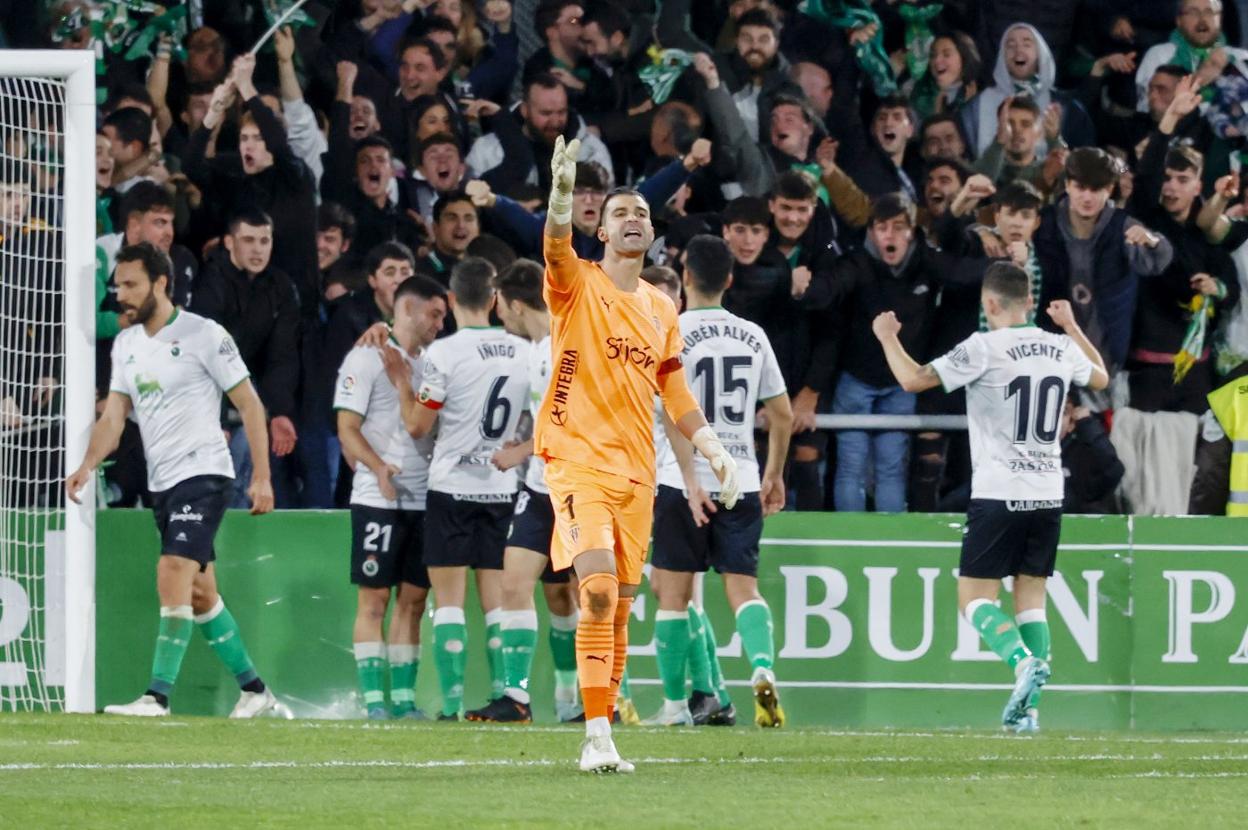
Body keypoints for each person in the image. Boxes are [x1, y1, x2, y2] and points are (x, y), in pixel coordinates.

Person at [536, 136, 739, 772]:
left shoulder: (660, 307)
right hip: (576, 464)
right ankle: (596, 734)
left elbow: (674, 391)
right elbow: (553, 245)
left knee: (620, 608)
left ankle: (604, 728)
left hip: (639, 476)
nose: (633, 220)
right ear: (601, 229)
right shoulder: (575, 284)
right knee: (594, 591)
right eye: (621, 213)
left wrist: (711, 446)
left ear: (653, 234)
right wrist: (562, 196)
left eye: (642, 215)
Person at [872, 263, 1109, 733]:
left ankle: (1022, 662)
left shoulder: (983, 346)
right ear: (1029, 301)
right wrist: (1072, 326)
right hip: (1047, 491)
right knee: (1032, 598)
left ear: (990, 304)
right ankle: (1029, 713)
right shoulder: (1059, 346)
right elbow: (1100, 378)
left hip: (1000, 491)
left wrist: (886, 337)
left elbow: (913, 379)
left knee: (974, 598)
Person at [66, 242, 281, 718]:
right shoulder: (126, 345)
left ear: (161, 283)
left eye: (130, 284)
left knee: (172, 570)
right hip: (163, 480)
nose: (121, 294)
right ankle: (256, 691)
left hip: (203, 470)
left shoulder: (205, 334)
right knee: (201, 591)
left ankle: (157, 696)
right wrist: (86, 463)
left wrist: (262, 477)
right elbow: (115, 415)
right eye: (117, 285)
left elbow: (249, 404)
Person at [649, 234, 793, 728]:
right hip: (742, 478)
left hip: (680, 481)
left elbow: (672, 410)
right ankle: (762, 669)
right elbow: (783, 413)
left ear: (684, 278)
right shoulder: (753, 335)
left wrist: (689, 477)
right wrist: (772, 473)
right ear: (730, 280)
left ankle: (672, 708)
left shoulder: (669, 331)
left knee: (673, 594)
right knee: (743, 589)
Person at [388, 257, 531, 719]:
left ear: (450, 301)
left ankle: (450, 707)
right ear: (494, 300)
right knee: (498, 604)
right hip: (501, 486)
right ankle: (502, 697)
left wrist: (402, 385)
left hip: (451, 487)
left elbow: (417, 426)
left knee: (448, 603)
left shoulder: (443, 355)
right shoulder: (523, 351)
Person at [465, 259, 583, 724]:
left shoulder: (563, 347)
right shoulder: (537, 348)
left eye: (500, 303)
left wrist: (522, 451)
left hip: (576, 487)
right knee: (514, 583)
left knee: (587, 595)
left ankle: (610, 699)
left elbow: (576, 421)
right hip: (540, 487)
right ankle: (517, 697)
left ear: (515, 303)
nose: (498, 313)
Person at [334, 274, 449, 719]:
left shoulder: (435, 363)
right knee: (374, 600)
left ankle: (403, 703)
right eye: (434, 314)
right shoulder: (366, 358)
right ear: (405, 311)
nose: (441, 323)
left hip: (426, 498)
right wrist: (378, 466)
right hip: (377, 498)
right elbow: (347, 426)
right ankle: (375, 703)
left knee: (414, 601)